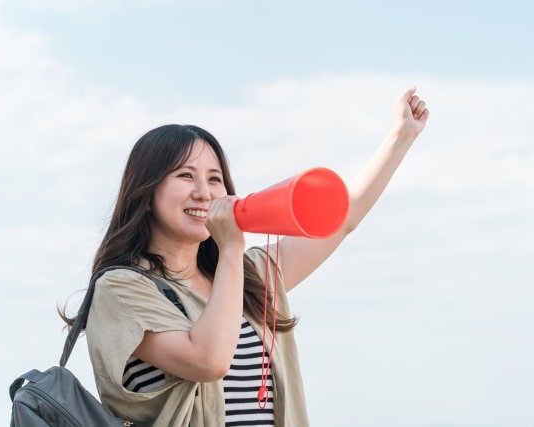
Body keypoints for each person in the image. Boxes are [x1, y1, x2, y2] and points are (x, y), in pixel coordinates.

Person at [64, 87, 428, 427]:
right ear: (147, 191)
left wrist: (401, 136)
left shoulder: (251, 273)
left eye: (215, 179)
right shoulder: (121, 287)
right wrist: (232, 248)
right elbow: (209, 359)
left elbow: (342, 219)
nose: (204, 193)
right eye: (185, 175)